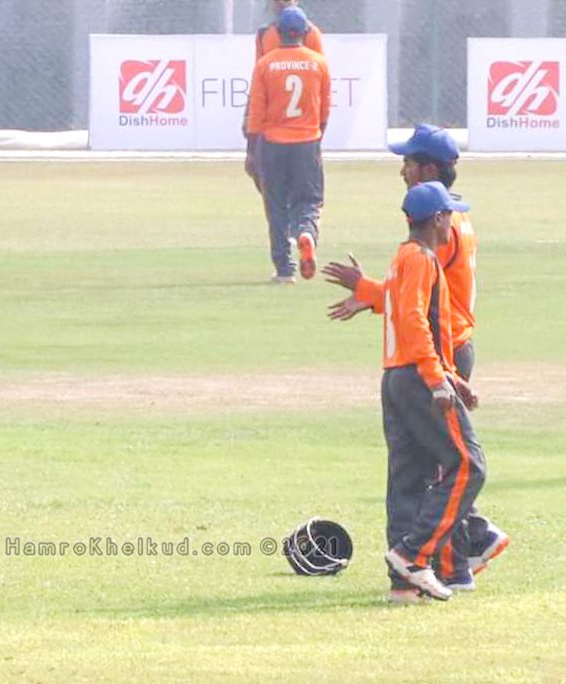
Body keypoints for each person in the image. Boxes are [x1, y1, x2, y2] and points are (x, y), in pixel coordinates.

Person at [323, 124, 509, 592]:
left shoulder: (439, 235)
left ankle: (456, 549)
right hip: (434, 355)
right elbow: (412, 300)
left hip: (440, 352)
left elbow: (413, 305)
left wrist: (369, 292)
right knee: (436, 463)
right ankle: (452, 560)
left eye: (407, 162)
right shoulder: (446, 227)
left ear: (427, 170)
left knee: (441, 465)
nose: (402, 170)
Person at [246, 6, 330, 283]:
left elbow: (256, 112)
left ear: (278, 32)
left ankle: (284, 268)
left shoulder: (265, 64)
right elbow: (325, 108)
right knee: (310, 200)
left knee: (276, 204)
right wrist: (317, 136)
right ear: (305, 32)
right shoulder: (318, 63)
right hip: (307, 141)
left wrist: (252, 150)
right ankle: (306, 232)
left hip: (273, 143)